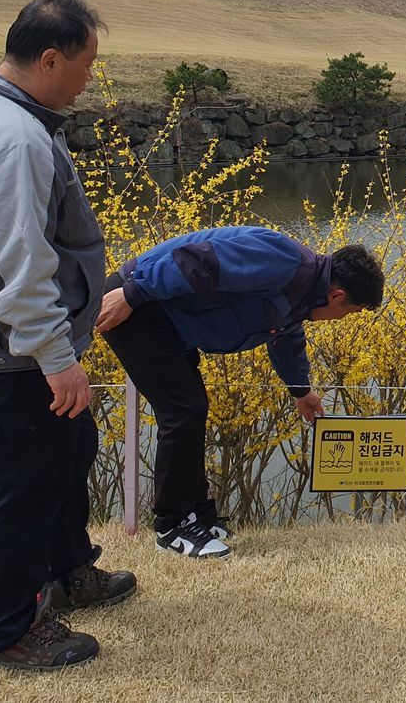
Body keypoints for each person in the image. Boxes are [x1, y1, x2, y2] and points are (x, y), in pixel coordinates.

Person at [0, 0, 135, 671]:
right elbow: (19, 263)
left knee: (67, 452)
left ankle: (68, 568)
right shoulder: (12, 137)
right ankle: (14, 629)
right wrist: (55, 355)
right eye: (85, 65)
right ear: (50, 58)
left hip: (23, 342)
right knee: (19, 486)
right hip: (17, 351)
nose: (89, 79)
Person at [96, 227, 385, 557]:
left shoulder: (303, 292)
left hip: (165, 318)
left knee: (191, 408)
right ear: (337, 296)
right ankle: (172, 526)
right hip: (139, 305)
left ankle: (198, 516)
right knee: (183, 410)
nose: (340, 319)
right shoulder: (285, 259)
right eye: (349, 312)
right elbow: (199, 261)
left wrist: (300, 390)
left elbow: (285, 337)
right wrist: (132, 294)